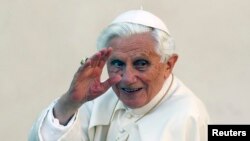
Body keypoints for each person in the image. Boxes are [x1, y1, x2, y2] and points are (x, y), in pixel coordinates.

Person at [29, 10, 209, 141]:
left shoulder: (189, 116)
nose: (127, 78)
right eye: (117, 64)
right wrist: (70, 103)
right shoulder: (97, 96)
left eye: (141, 63)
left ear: (168, 65)